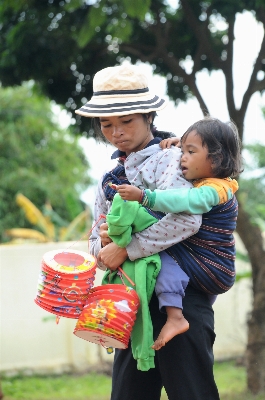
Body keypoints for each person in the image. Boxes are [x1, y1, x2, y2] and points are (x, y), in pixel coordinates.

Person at [75, 63, 221, 400]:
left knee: (192, 393)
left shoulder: (173, 160)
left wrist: (126, 249)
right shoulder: (108, 178)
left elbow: (187, 220)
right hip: (129, 304)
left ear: (148, 117)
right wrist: (103, 247)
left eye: (127, 121)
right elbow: (95, 240)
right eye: (106, 124)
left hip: (181, 302)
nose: (117, 132)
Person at [110, 117, 242, 350]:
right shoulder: (211, 181)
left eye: (190, 152)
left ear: (217, 158)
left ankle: (175, 316)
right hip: (211, 273)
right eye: (182, 150)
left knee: (162, 256)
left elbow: (184, 202)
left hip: (212, 267)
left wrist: (145, 197)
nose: (182, 157)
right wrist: (177, 145)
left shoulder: (213, 190)